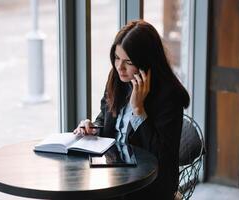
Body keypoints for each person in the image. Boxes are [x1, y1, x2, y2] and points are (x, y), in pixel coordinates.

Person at [74, 19, 190, 200]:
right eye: (117, 57)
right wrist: (92, 128)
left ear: (146, 62)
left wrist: (138, 110)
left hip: (148, 184)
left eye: (128, 61)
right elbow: (104, 118)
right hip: (113, 173)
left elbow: (162, 157)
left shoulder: (169, 97)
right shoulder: (118, 79)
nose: (119, 67)